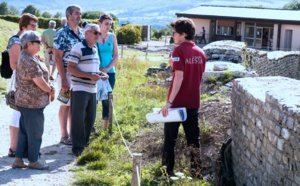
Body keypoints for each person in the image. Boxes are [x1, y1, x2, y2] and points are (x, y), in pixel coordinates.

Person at [159, 17, 206, 178]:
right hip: (193, 103)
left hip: (177, 104)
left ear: (183, 34)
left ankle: (166, 173)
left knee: (169, 141)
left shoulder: (178, 50)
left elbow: (179, 77)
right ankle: (196, 174)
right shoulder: (201, 53)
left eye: (175, 33)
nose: (173, 36)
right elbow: (195, 75)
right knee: (193, 141)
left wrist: (169, 102)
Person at [12, 31, 55, 170]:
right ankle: (33, 161)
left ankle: (18, 159)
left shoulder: (28, 57)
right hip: (32, 103)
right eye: (38, 42)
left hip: (26, 101)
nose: (41, 44)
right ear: (29, 44)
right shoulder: (28, 60)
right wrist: (50, 90)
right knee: (36, 132)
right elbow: (40, 82)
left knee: (24, 131)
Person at [67, 24, 102, 156]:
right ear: (86, 33)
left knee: (90, 118)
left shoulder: (94, 49)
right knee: (78, 118)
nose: (98, 35)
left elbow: (91, 67)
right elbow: (70, 68)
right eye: (95, 32)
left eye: (99, 33)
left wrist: (99, 74)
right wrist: (90, 76)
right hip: (80, 88)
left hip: (92, 89)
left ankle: (85, 144)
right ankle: (77, 147)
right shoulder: (78, 47)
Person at [7, 13, 38, 158]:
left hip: (25, 80)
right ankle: (13, 148)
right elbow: (14, 65)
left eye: (36, 25)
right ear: (24, 25)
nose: (35, 28)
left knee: (22, 114)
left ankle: (20, 148)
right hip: (19, 80)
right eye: (32, 25)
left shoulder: (26, 41)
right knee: (17, 112)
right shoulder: (16, 41)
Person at [53, 5, 84, 145]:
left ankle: (73, 134)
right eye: (76, 13)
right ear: (68, 15)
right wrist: (63, 78)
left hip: (79, 74)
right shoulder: (61, 33)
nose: (79, 16)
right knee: (65, 104)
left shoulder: (82, 33)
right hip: (66, 73)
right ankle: (64, 135)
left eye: (80, 13)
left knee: (74, 105)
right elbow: (58, 57)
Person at [96, 13, 119, 130]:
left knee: (106, 100)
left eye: (110, 24)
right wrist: (97, 69)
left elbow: (116, 56)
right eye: (106, 24)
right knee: (93, 100)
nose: (108, 26)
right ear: (99, 23)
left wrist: (107, 68)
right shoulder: (93, 36)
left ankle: (104, 129)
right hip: (94, 73)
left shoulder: (112, 36)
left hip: (109, 73)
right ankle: (90, 128)